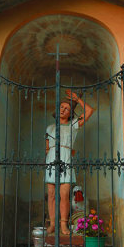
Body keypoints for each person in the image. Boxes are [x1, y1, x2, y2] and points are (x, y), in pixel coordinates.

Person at [45, 89, 94, 235]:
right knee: (52, 194)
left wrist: (77, 100)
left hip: (66, 159)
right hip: (51, 159)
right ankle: (53, 224)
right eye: (61, 107)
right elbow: (47, 148)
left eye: (66, 108)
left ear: (70, 113)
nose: (63, 110)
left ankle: (64, 225)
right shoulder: (50, 128)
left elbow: (90, 111)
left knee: (65, 194)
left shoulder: (73, 124)